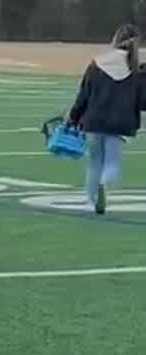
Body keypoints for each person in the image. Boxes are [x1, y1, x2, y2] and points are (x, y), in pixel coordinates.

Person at [67, 25, 142, 214]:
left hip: (93, 120)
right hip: (120, 124)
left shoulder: (97, 63)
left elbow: (83, 95)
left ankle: (90, 201)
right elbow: (143, 101)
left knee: (94, 163)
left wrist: (73, 117)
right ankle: (104, 186)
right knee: (112, 163)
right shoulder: (136, 70)